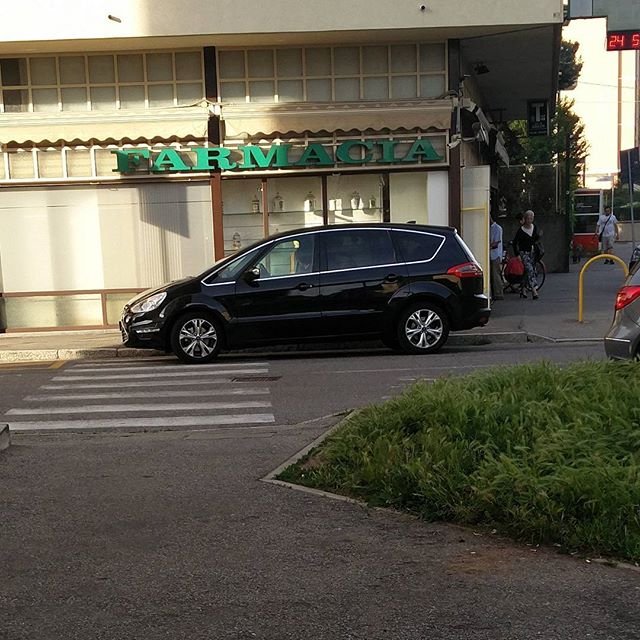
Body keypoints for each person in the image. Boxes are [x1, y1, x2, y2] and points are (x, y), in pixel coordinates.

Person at [512, 209, 542, 300]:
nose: (530, 220)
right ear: (525, 218)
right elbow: (515, 242)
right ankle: (534, 290)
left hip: (532, 252)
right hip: (523, 253)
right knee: (530, 269)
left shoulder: (534, 227)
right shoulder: (521, 230)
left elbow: (534, 239)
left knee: (527, 271)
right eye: (528, 218)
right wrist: (517, 254)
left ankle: (523, 289)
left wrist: (539, 236)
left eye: (532, 218)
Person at [489, 215, 504, 300]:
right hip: (492, 254)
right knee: (494, 274)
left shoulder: (497, 228)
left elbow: (496, 243)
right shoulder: (491, 228)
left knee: (496, 275)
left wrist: (488, 246)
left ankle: (499, 293)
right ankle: (496, 293)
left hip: (495, 255)